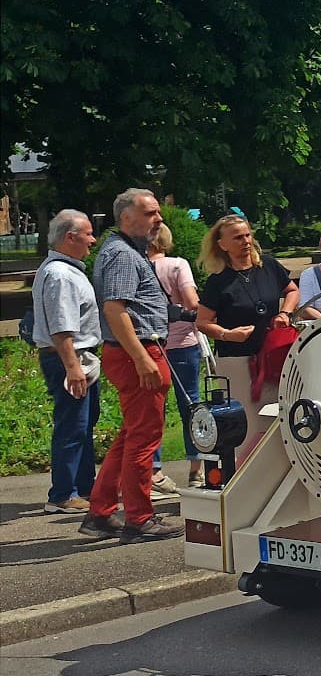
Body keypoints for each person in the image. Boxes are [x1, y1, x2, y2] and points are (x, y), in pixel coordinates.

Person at [83, 189, 181, 541]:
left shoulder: (125, 251)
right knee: (143, 439)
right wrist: (142, 358)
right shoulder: (123, 255)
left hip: (134, 351)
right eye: (151, 213)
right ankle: (139, 518)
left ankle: (100, 512)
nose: (159, 219)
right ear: (126, 218)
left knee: (129, 437)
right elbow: (115, 309)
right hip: (138, 352)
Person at [196, 213, 298, 453]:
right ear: (222, 245)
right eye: (238, 237)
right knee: (250, 426)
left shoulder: (269, 265)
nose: (246, 241)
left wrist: (285, 313)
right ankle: (244, 477)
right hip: (237, 361)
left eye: (248, 235)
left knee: (277, 418)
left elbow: (292, 289)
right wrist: (226, 334)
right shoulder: (218, 281)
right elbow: (203, 322)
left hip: (273, 356)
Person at [32, 210, 101, 514]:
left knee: (83, 425)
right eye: (87, 233)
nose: (93, 239)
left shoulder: (66, 270)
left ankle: (84, 488)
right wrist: (73, 368)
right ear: (70, 237)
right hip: (68, 359)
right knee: (72, 427)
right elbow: (61, 326)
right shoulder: (59, 275)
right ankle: (63, 494)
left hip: (76, 358)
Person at [150, 223, 203, 488]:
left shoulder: (138, 266)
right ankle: (196, 469)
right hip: (183, 342)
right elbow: (192, 303)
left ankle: (154, 470)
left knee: (153, 408)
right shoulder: (177, 264)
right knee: (191, 406)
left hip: (152, 344)